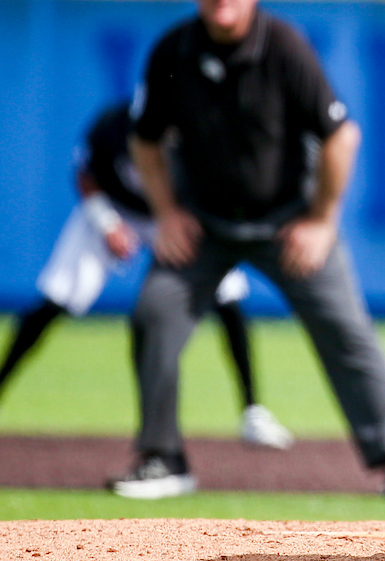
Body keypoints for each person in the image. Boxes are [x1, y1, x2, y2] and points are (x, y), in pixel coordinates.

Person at [107, 0, 385, 501]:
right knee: (155, 313)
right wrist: (167, 212)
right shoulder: (174, 51)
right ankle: (162, 457)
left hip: (287, 222)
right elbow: (145, 141)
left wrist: (323, 220)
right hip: (204, 225)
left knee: (347, 331)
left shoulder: (283, 47)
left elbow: (341, 136)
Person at [0, 100, 293, 451]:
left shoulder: (198, 131)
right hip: (115, 209)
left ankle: (253, 411)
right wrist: (108, 225)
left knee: (228, 294)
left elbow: (217, 188)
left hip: (174, 216)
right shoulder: (113, 125)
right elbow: (86, 175)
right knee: (59, 295)